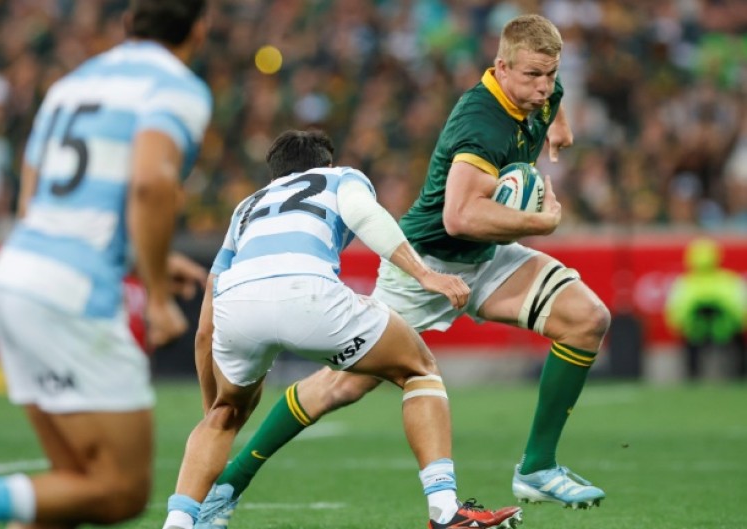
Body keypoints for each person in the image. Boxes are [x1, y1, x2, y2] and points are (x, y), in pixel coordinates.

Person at [197, 14, 610, 528]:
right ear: (500, 67)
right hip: (429, 261)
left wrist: (558, 127)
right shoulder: (479, 125)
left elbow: (553, 99)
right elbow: (459, 217)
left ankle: (538, 467)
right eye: (531, 76)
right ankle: (230, 483)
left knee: (587, 318)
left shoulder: (541, 86)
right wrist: (540, 223)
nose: (543, 87)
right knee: (341, 387)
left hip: (488, 259)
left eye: (550, 75)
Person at [0, 1, 212, 528]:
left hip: (14, 274)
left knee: (71, 482)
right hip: (71, 295)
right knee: (121, 490)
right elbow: (152, 184)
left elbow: (34, 206)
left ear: (128, 24)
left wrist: (142, 257)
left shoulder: (70, 85)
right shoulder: (176, 87)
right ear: (200, 29)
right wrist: (155, 295)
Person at [163, 129, 523, 529]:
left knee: (224, 415)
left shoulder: (246, 207)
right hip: (308, 293)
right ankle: (444, 510)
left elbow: (205, 326)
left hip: (238, 305)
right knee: (418, 369)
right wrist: (425, 275)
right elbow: (366, 216)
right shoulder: (339, 178)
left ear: (273, 176)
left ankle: (178, 523)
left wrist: (212, 412)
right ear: (327, 163)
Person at [665, 238, 747, 380]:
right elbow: (741, 309)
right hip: (700, 332)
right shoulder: (728, 281)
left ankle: (735, 375)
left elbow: (675, 313)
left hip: (721, 331)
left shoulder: (685, 283)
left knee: (736, 345)